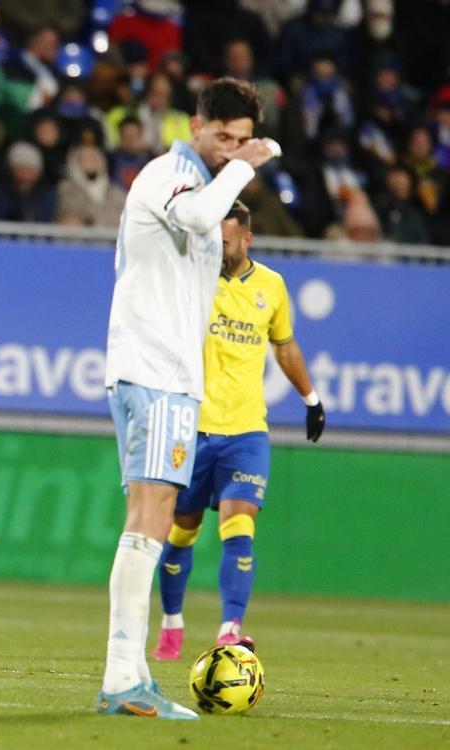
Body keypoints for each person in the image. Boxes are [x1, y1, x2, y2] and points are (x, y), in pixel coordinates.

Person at [99, 77, 276, 719]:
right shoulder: (169, 175)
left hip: (168, 376)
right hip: (155, 374)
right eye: (223, 138)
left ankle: (130, 674)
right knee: (149, 523)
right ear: (197, 127)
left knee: (150, 522)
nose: (231, 150)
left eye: (242, 141)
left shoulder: (200, 180)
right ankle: (123, 680)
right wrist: (247, 169)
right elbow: (204, 215)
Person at [153, 201, 325, 662]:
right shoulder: (193, 277)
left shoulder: (271, 285)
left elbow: (285, 345)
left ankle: (230, 629)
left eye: (225, 242)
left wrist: (311, 399)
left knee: (239, 525)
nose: (218, 250)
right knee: (182, 532)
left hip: (246, 431)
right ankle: (171, 622)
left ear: (247, 239)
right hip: (192, 429)